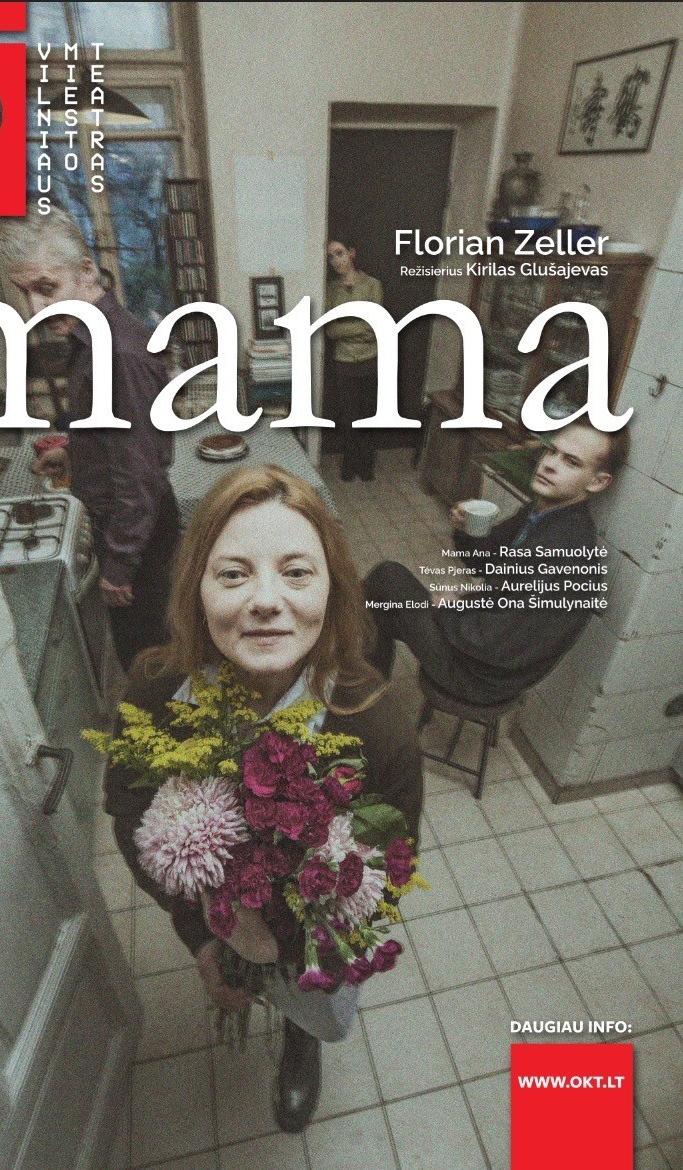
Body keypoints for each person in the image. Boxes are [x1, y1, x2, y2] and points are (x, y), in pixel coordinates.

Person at [104, 466, 424, 1133]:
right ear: (195, 589)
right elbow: (130, 814)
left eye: (297, 572)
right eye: (233, 574)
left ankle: (302, 1039)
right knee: (236, 979)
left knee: (309, 1000)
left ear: (333, 588)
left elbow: (392, 862)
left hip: (313, 941)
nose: (266, 602)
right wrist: (202, 934)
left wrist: (319, 936)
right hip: (221, 924)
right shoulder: (155, 691)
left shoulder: (377, 721)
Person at [0, 206, 180, 671]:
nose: (35, 309)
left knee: (148, 660)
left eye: (46, 288)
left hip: (137, 531)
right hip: (127, 524)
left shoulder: (118, 355)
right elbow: (115, 439)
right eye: (24, 292)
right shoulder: (87, 336)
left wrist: (119, 567)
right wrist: (76, 452)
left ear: (87, 271)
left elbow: (140, 477)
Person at [365, 420, 630, 704]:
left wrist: (449, 608)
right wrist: (466, 530)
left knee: (387, 578)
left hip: (481, 678)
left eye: (571, 462)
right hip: (481, 649)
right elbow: (485, 563)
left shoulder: (565, 550)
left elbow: (495, 644)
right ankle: (366, 683)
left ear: (597, 481)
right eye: (552, 451)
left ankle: (362, 688)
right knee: (375, 611)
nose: (549, 464)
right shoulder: (542, 513)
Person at [324, 236, 384, 482]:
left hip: (370, 359)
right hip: (343, 361)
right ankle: (349, 464)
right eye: (330, 256)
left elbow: (375, 326)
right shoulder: (331, 289)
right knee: (348, 417)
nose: (335, 261)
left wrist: (347, 328)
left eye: (339, 253)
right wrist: (360, 327)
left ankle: (366, 465)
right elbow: (330, 330)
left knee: (368, 416)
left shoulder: (372, 285)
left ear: (352, 252)